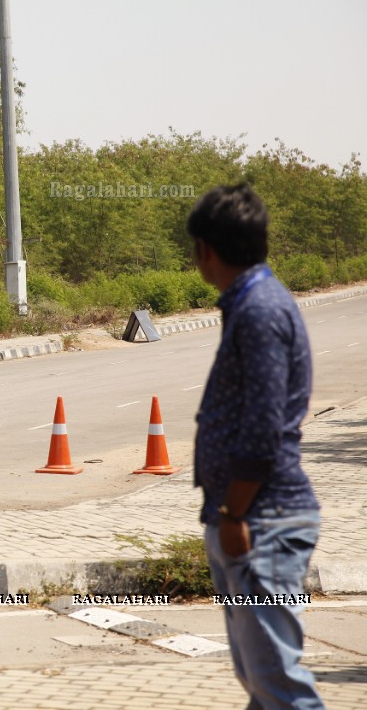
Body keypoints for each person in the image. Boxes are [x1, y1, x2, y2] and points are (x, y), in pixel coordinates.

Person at [188, 183, 325, 710]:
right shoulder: (250, 303)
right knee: (262, 684)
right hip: (252, 517)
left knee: (280, 687)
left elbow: (265, 426)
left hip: (263, 519)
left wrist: (233, 513)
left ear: (205, 249)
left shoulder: (260, 310)